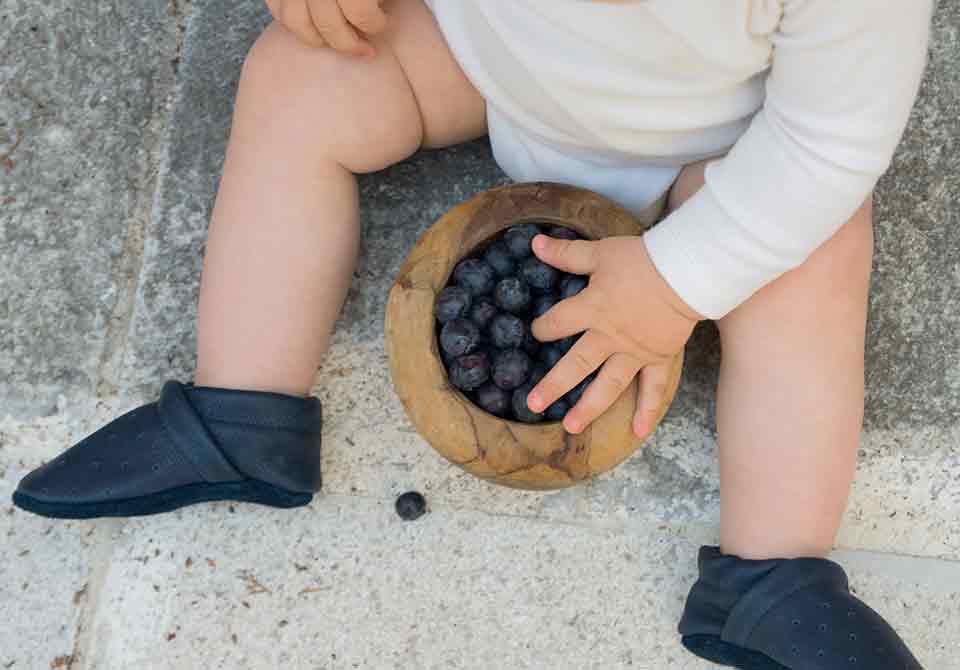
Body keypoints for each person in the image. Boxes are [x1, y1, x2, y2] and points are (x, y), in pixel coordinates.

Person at [13, 1, 935, 667]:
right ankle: (241, 410)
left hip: (730, 141)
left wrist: (677, 278)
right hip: (491, 57)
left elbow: (831, 142)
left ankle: (772, 577)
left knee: (820, 250)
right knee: (300, 74)